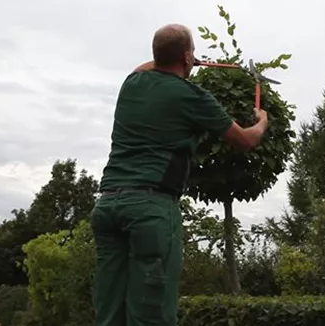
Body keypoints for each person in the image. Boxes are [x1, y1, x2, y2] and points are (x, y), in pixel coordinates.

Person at [91, 23, 269, 326]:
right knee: (151, 312)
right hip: (150, 209)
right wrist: (262, 121)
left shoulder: (132, 84)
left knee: (109, 312)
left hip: (107, 207)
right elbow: (246, 140)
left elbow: (146, 65)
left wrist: (179, 58)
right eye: (192, 53)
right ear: (186, 57)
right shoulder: (192, 97)